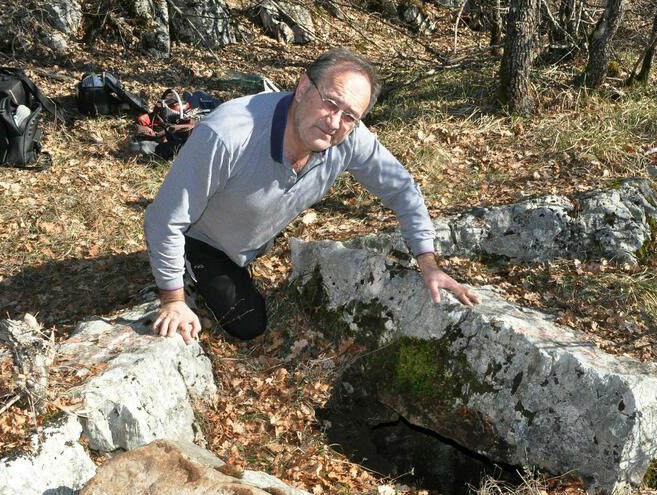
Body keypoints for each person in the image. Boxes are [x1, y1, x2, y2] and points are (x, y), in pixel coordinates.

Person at [144, 48, 478, 344]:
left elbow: (402, 188)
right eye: (331, 103)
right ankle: (186, 269)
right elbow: (164, 219)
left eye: (350, 115)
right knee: (249, 324)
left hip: (246, 242)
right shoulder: (228, 136)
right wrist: (173, 299)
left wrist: (428, 263)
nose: (335, 122)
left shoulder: (348, 137)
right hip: (202, 239)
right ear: (303, 87)